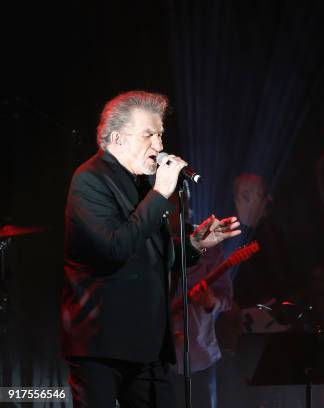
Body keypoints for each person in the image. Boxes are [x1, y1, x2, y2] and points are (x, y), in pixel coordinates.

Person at [61, 90, 240, 407]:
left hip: (148, 344)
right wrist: (159, 194)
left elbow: (149, 255)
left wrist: (195, 244)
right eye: (149, 135)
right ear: (118, 139)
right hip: (101, 344)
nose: (159, 146)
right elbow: (114, 249)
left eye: (160, 135)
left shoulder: (143, 184)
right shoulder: (90, 180)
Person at [168, 185, 234, 408]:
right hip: (157, 360)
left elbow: (227, 297)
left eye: (173, 200)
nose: (167, 208)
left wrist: (211, 302)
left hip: (199, 356)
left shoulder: (208, 241)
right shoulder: (145, 242)